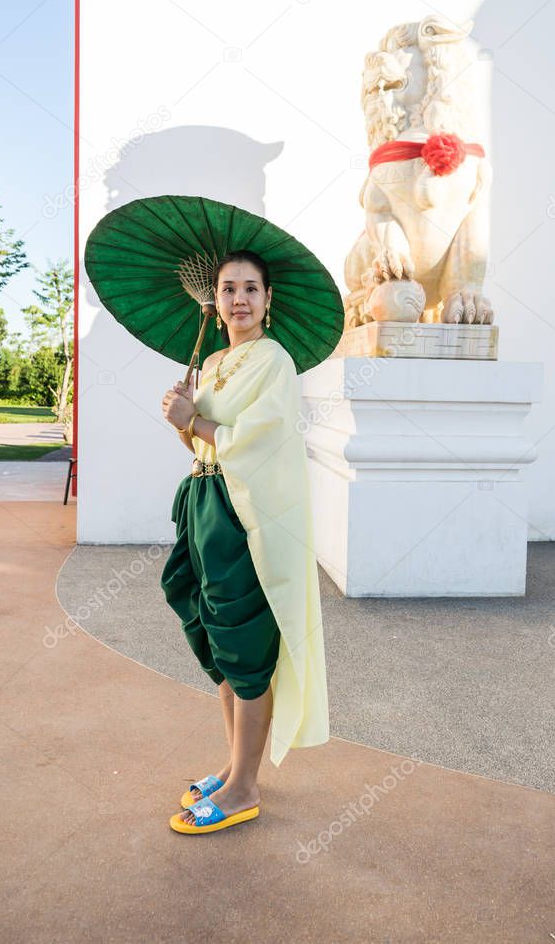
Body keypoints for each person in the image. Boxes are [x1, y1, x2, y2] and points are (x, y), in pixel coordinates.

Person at [160, 250, 329, 834]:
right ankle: (234, 766)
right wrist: (182, 419)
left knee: (246, 642)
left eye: (250, 289)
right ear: (216, 298)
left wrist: (196, 420)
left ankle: (244, 788)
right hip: (205, 505)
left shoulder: (275, 362)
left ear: (267, 299)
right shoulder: (210, 361)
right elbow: (205, 447)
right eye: (228, 288)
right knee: (215, 632)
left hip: (245, 517)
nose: (238, 300)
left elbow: (260, 439)